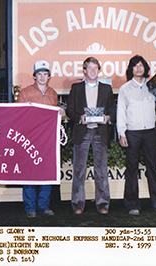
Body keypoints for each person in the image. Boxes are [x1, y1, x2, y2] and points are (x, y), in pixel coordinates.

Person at [117, 55, 156, 215]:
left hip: (150, 133)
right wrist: (122, 134)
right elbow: (121, 113)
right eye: (135, 66)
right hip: (132, 133)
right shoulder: (125, 89)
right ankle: (132, 205)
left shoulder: (152, 86)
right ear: (131, 69)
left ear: (146, 68)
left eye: (141, 65)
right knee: (131, 169)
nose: (139, 68)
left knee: (154, 169)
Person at [66, 57, 116, 215]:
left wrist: (108, 117)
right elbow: (70, 110)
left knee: (101, 170)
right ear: (84, 70)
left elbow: (113, 108)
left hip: (100, 132)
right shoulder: (76, 88)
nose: (93, 71)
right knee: (79, 170)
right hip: (83, 132)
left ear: (99, 70)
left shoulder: (107, 89)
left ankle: (102, 204)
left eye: (96, 68)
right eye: (90, 68)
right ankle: (77, 204)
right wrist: (79, 118)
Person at [16, 60, 65, 218]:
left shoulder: (53, 94)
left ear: (49, 77)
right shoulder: (25, 93)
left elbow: (55, 117)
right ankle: (30, 206)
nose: (42, 77)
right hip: (29, 138)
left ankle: (43, 205)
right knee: (29, 172)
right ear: (34, 76)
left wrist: (61, 112)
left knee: (47, 171)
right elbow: (17, 115)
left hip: (48, 140)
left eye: (45, 74)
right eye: (39, 74)